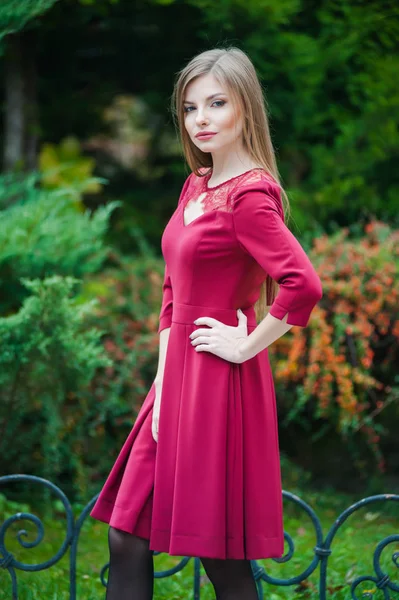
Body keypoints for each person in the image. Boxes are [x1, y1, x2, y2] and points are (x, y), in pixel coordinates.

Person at [90, 46, 323, 599]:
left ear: (246, 107)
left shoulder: (249, 198)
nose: (201, 119)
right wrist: (165, 381)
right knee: (126, 534)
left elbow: (303, 286)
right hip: (175, 379)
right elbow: (174, 291)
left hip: (219, 384)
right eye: (191, 107)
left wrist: (246, 347)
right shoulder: (196, 185)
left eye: (216, 103)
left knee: (220, 559)